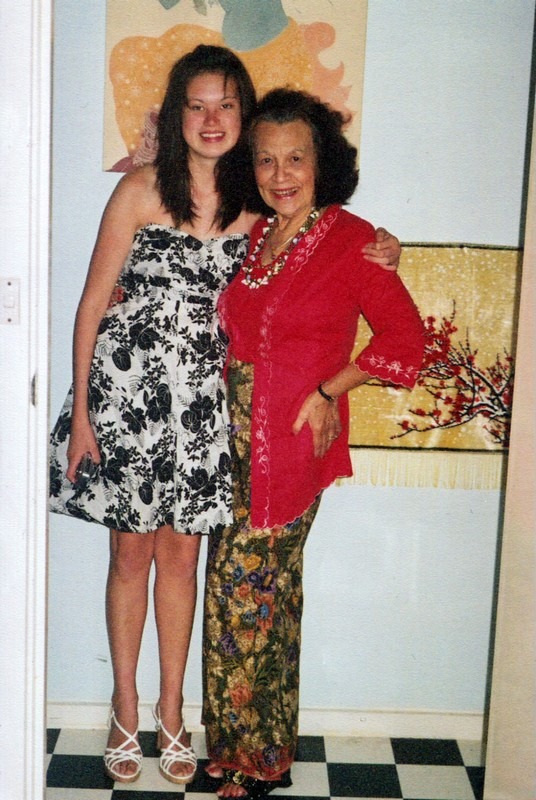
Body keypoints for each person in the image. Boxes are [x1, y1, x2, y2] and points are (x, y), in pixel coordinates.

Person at [48, 45, 402, 786]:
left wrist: (387, 246)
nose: (212, 120)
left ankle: (173, 713)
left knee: (183, 562)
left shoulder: (258, 211)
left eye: (226, 105)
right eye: (197, 105)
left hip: (204, 413)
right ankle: (124, 707)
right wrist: (81, 411)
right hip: (128, 403)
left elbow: (322, 247)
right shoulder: (140, 190)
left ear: (243, 114)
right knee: (129, 559)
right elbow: (91, 303)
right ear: (178, 114)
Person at [202, 88, 425, 799]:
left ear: (321, 161)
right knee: (261, 594)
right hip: (234, 445)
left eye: (295, 158)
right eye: (266, 160)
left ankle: (253, 759)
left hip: (291, 443)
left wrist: (330, 391)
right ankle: (250, 749)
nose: (280, 174)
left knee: (243, 592)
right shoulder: (257, 237)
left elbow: (407, 341)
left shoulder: (353, 240)